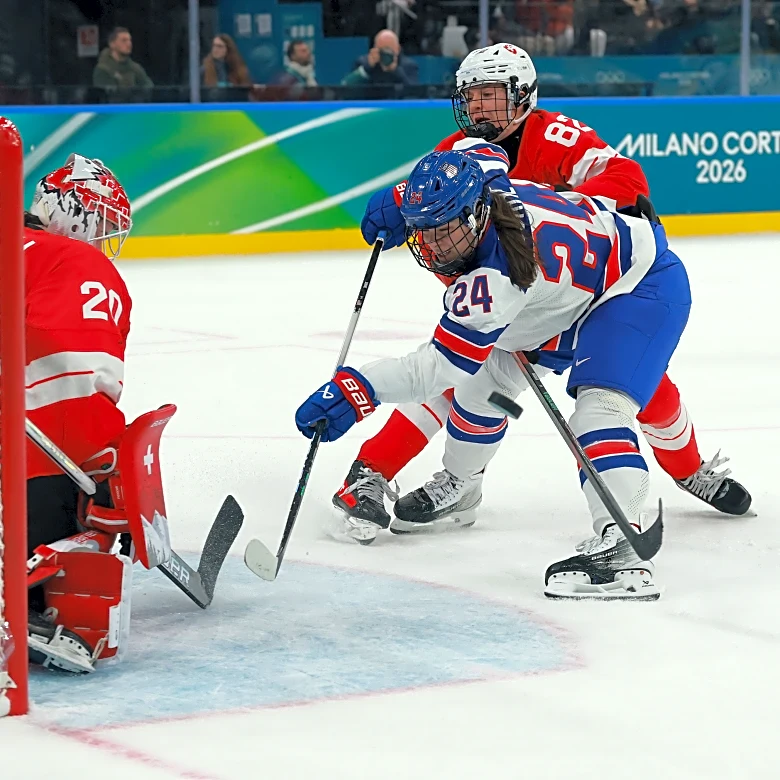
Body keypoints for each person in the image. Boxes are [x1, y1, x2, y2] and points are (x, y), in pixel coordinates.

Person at [331, 42, 750, 542]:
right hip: (528, 300)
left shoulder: (554, 136)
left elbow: (627, 181)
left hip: (599, 290)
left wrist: (557, 213)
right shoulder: (454, 154)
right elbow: (448, 243)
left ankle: (689, 469)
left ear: (523, 95)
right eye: (470, 96)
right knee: (461, 376)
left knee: (639, 387)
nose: (478, 107)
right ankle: (379, 472)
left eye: (490, 94)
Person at [296, 150, 693, 599]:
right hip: (569, 293)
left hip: (636, 286)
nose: (433, 245)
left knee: (599, 412)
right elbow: (486, 151)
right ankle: (462, 488)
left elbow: (438, 368)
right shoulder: (484, 186)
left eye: (444, 230)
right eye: (424, 230)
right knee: (479, 392)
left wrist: (360, 389)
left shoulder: (495, 281)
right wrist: (402, 197)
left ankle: (623, 548)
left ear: (475, 215)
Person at [23, 154, 133, 673]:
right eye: (101, 222)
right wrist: (103, 465)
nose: (104, 240)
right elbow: (70, 383)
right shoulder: (76, 261)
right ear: (71, 213)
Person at [342, 29, 419, 87]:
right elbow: (346, 85)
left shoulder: (409, 65)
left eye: (389, 50)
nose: (385, 54)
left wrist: (396, 71)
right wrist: (367, 68)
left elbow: (414, 94)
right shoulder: (362, 62)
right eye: (381, 50)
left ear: (398, 49)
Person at [92, 27, 153, 99]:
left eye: (130, 40)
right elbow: (108, 96)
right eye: (124, 40)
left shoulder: (135, 68)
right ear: (112, 44)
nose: (129, 44)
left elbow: (149, 88)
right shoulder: (103, 69)